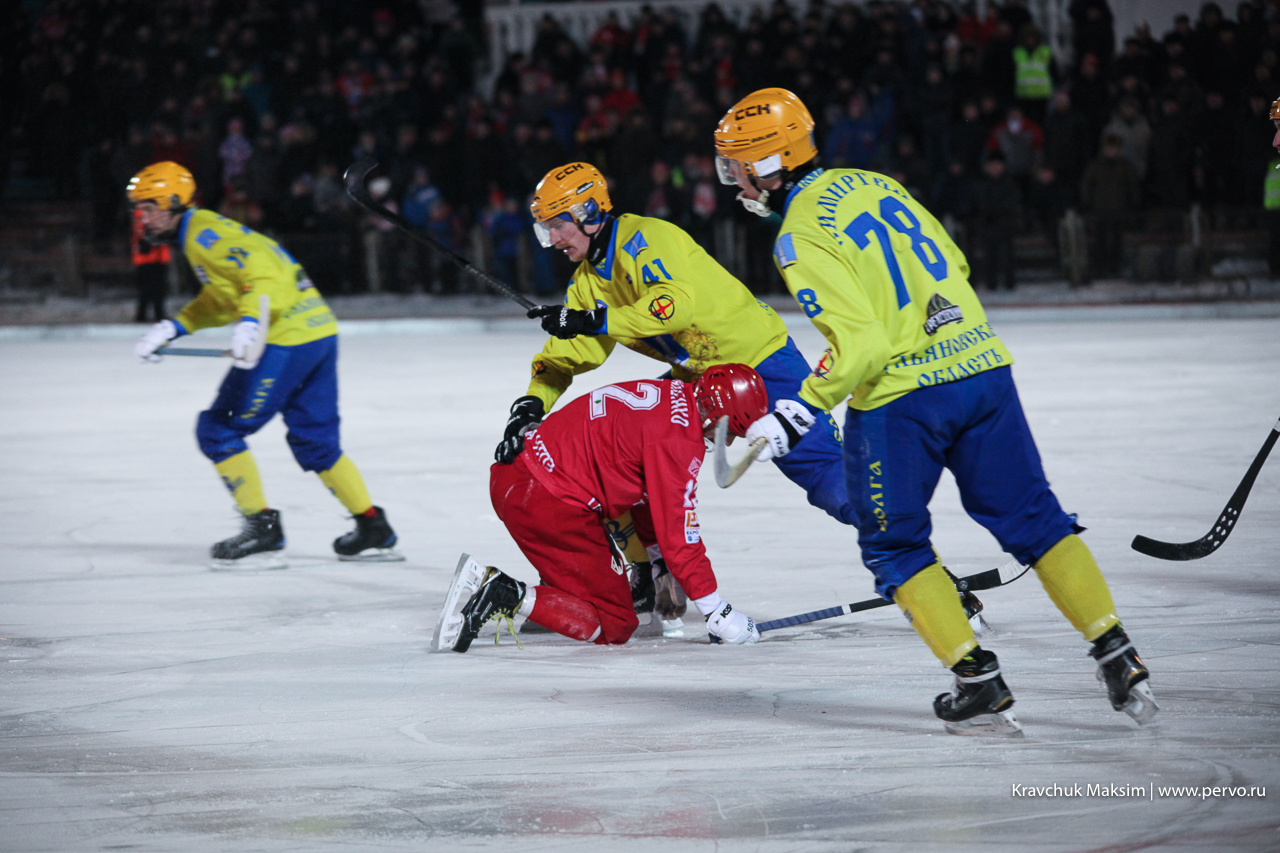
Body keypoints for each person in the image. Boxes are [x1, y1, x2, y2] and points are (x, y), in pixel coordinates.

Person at [712, 88, 1156, 736]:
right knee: (1035, 517)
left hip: (904, 401)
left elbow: (860, 346)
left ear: (769, 163)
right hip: (981, 367)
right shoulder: (872, 181)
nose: (735, 181)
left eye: (736, 166)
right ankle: (1117, 649)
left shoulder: (797, 233)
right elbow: (958, 264)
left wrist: (797, 410)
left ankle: (976, 678)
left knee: (893, 544)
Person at [499, 160, 858, 537]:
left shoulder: (645, 237)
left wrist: (590, 320)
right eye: (546, 229)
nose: (553, 239)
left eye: (557, 224)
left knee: (818, 466)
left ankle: (901, 546)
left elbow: (672, 306)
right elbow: (565, 356)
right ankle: (653, 564)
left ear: (588, 212)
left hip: (759, 361)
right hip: (699, 377)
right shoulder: (587, 283)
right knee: (624, 450)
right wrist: (529, 406)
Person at [127, 161, 403, 569]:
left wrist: (253, 322)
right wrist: (177, 325)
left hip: (284, 340)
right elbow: (227, 294)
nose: (142, 217)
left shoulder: (203, 232)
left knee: (218, 428)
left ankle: (263, 531)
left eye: (148, 207)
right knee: (317, 442)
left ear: (172, 202)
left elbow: (263, 274)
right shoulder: (201, 232)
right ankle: (372, 527)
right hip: (317, 332)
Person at [443, 365, 768, 652]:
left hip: (516, 476)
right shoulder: (679, 442)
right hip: (544, 504)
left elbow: (644, 492)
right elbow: (681, 535)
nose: (726, 443)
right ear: (711, 410)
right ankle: (503, 592)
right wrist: (716, 612)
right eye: (728, 431)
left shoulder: (670, 391)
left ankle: (551, 595)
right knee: (615, 623)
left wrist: (658, 565)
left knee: (591, 583)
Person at [130, 206, 169, 322]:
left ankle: (159, 314)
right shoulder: (141, 211)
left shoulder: (159, 209)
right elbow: (141, 230)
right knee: (146, 289)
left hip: (159, 257)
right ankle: (142, 315)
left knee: (159, 288)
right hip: (146, 258)